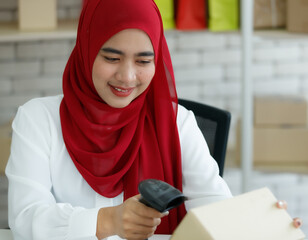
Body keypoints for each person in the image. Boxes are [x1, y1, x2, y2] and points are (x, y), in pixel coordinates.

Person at [5, 0, 301, 239]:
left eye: (144, 61)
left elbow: (214, 207)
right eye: (111, 58)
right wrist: (108, 221)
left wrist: (257, 225)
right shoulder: (38, 120)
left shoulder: (177, 122)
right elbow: (25, 218)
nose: (127, 76)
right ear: (86, 49)